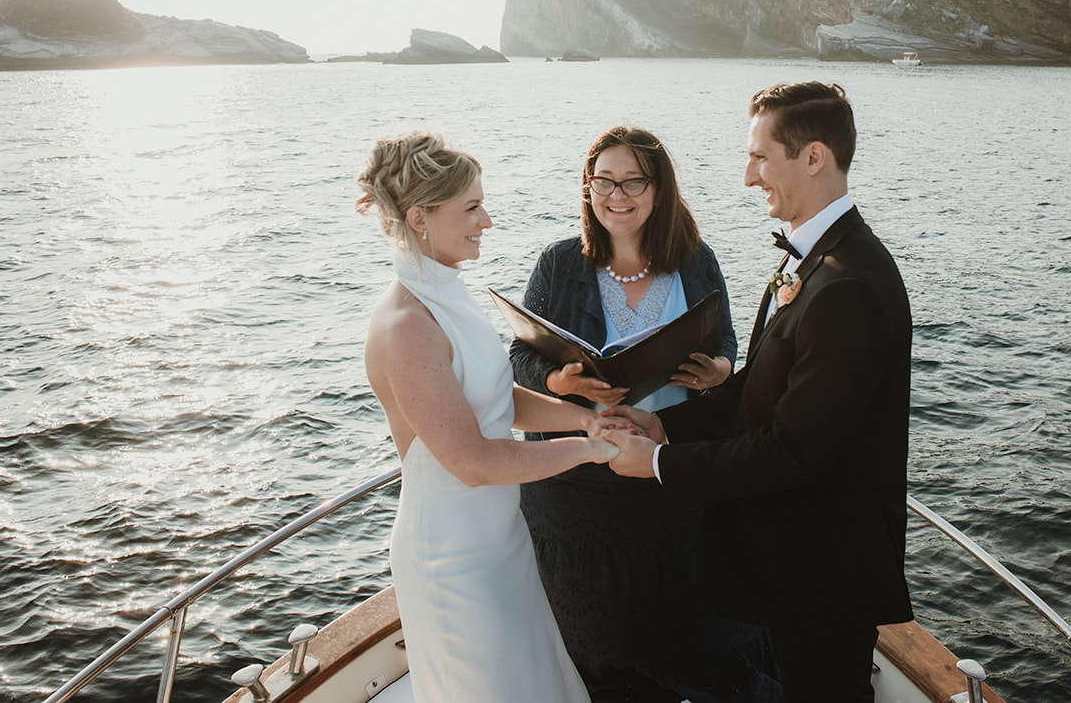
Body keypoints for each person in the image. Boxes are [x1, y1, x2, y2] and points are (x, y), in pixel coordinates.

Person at [603, 83, 914, 703]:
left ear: (814, 157)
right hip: (797, 561)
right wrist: (666, 426)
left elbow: (794, 450)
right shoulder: (821, 259)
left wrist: (660, 464)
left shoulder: (848, 285)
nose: (748, 176)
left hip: (823, 570)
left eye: (760, 157)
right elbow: (770, 384)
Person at [508, 126, 781, 703]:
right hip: (580, 489)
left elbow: (726, 338)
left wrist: (720, 371)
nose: (618, 194)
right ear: (588, 187)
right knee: (599, 641)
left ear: (658, 188)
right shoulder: (559, 264)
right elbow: (519, 357)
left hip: (670, 475)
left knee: (689, 628)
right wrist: (560, 381)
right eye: (603, 180)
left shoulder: (695, 260)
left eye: (633, 180)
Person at [357, 130, 621, 703]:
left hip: (500, 540)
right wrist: (593, 451)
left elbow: (498, 396)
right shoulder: (406, 325)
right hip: (451, 559)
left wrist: (587, 420)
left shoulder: (451, 295)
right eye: (472, 208)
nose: (488, 221)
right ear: (421, 217)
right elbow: (472, 461)